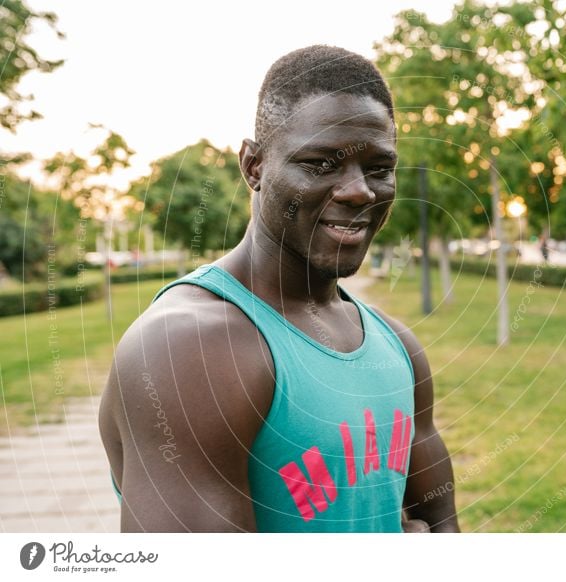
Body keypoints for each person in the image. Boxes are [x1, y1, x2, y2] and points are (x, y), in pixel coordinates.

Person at [98, 46, 460, 533]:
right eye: (320, 164)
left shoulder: (397, 347)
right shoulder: (187, 349)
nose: (359, 191)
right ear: (254, 166)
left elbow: (442, 526)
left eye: (378, 168)